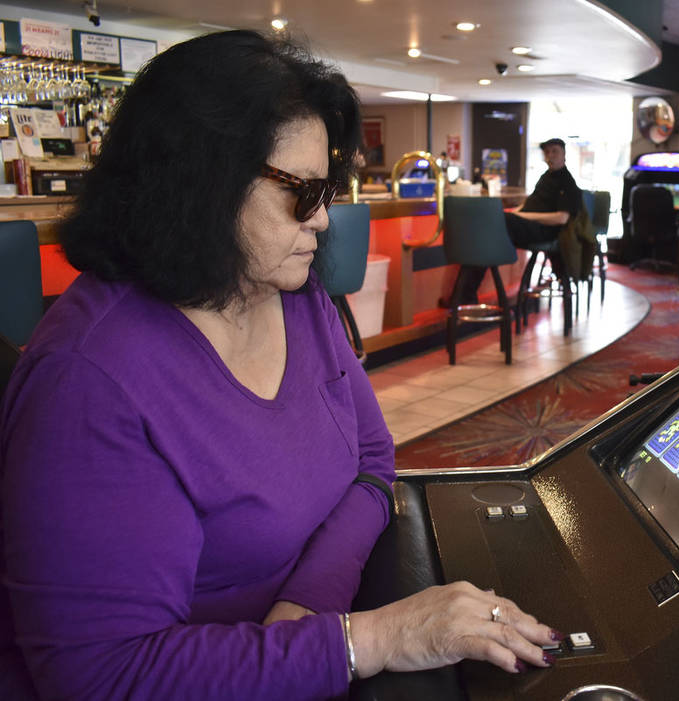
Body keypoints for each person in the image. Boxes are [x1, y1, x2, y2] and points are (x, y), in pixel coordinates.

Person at [0, 31, 558, 700]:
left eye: (330, 190)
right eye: (303, 193)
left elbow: (373, 460)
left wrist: (306, 612)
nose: (323, 221)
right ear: (203, 183)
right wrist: (367, 640)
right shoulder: (88, 382)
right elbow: (103, 676)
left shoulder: (292, 295)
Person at [445, 138, 581, 305]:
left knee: (490, 231)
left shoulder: (568, 182)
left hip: (546, 232)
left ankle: (465, 294)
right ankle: (465, 293)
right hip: (529, 226)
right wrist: (513, 213)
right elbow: (530, 204)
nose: (550, 156)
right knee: (488, 229)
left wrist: (521, 216)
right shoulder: (546, 177)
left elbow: (562, 218)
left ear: (564, 154)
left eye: (555, 151)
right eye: (547, 152)